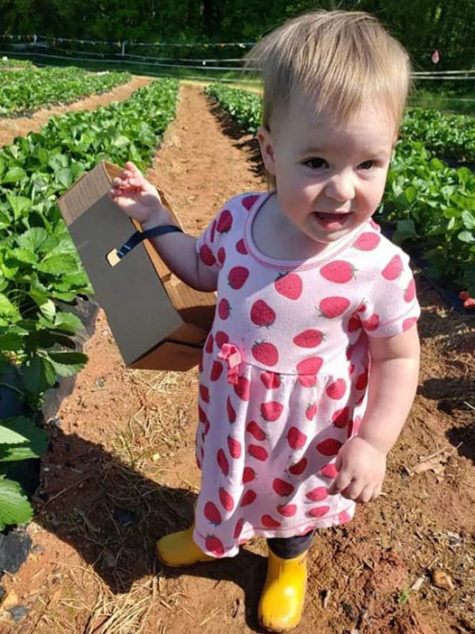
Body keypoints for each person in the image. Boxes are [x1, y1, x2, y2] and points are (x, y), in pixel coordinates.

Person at [110, 9, 420, 632]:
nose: (342, 190)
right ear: (271, 151)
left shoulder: (377, 267)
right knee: (222, 474)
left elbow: (397, 356)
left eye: (368, 164)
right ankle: (213, 535)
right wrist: (152, 216)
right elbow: (200, 268)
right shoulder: (238, 221)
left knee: (291, 505)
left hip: (309, 429)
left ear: (390, 155)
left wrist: (374, 442)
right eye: (316, 163)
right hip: (235, 405)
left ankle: (286, 563)